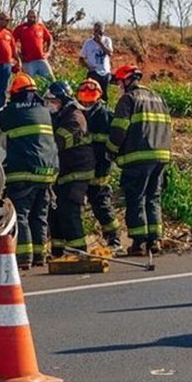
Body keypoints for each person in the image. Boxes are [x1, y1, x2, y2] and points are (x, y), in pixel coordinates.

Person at [0, 73, 59, 269]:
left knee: (22, 214)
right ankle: (39, 256)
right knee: (39, 215)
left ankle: (24, 258)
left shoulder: (13, 110)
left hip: (24, 172)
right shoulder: (44, 110)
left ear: (15, 93)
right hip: (48, 172)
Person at [106, 65, 172, 256]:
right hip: (161, 157)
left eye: (118, 82)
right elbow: (168, 127)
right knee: (153, 198)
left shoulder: (129, 99)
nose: (118, 86)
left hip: (138, 157)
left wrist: (110, 150)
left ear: (126, 80)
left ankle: (139, 242)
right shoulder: (158, 98)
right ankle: (154, 241)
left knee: (136, 198)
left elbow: (119, 129)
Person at [44, 80, 93, 257]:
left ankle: (79, 251)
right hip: (64, 173)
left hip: (76, 172)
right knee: (55, 213)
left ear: (63, 101)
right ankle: (58, 251)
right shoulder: (60, 116)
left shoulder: (74, 118)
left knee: (69, 211)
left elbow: (56, 144)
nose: (50, 105)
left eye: (53, 101)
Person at [76, 79, 122, 253]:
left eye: (90, 98)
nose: (87, 101)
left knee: (101, 204)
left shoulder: (106, 115)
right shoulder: (78, 113)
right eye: (84, 98)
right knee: (78, 206)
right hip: (81, 168)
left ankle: (114, 239)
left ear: (99, 96)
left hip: (99, 169)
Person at [13, 9, 55, 81]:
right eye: (30, 16)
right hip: (28, 61)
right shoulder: (20, 28)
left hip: (41, 59)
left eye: (34, 16)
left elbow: (49, 39)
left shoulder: (41, 27)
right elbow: (11, 42)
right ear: (27, 17)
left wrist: (48, 52)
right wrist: (18, 55)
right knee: (29, 82)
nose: (32, 18)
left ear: (37, 17)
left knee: (51, 80)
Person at [78, 22, 114, 104]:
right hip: (94, 72)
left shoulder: (107, 40)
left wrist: (100, 43)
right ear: (93, 31)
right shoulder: (88, 43)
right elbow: (81, 58)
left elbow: (110, 53)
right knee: (92, 93)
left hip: (105, 72)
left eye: (100, 32)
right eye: (96, 31)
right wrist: (88, 67)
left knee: (104, 95)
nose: (98, 34)